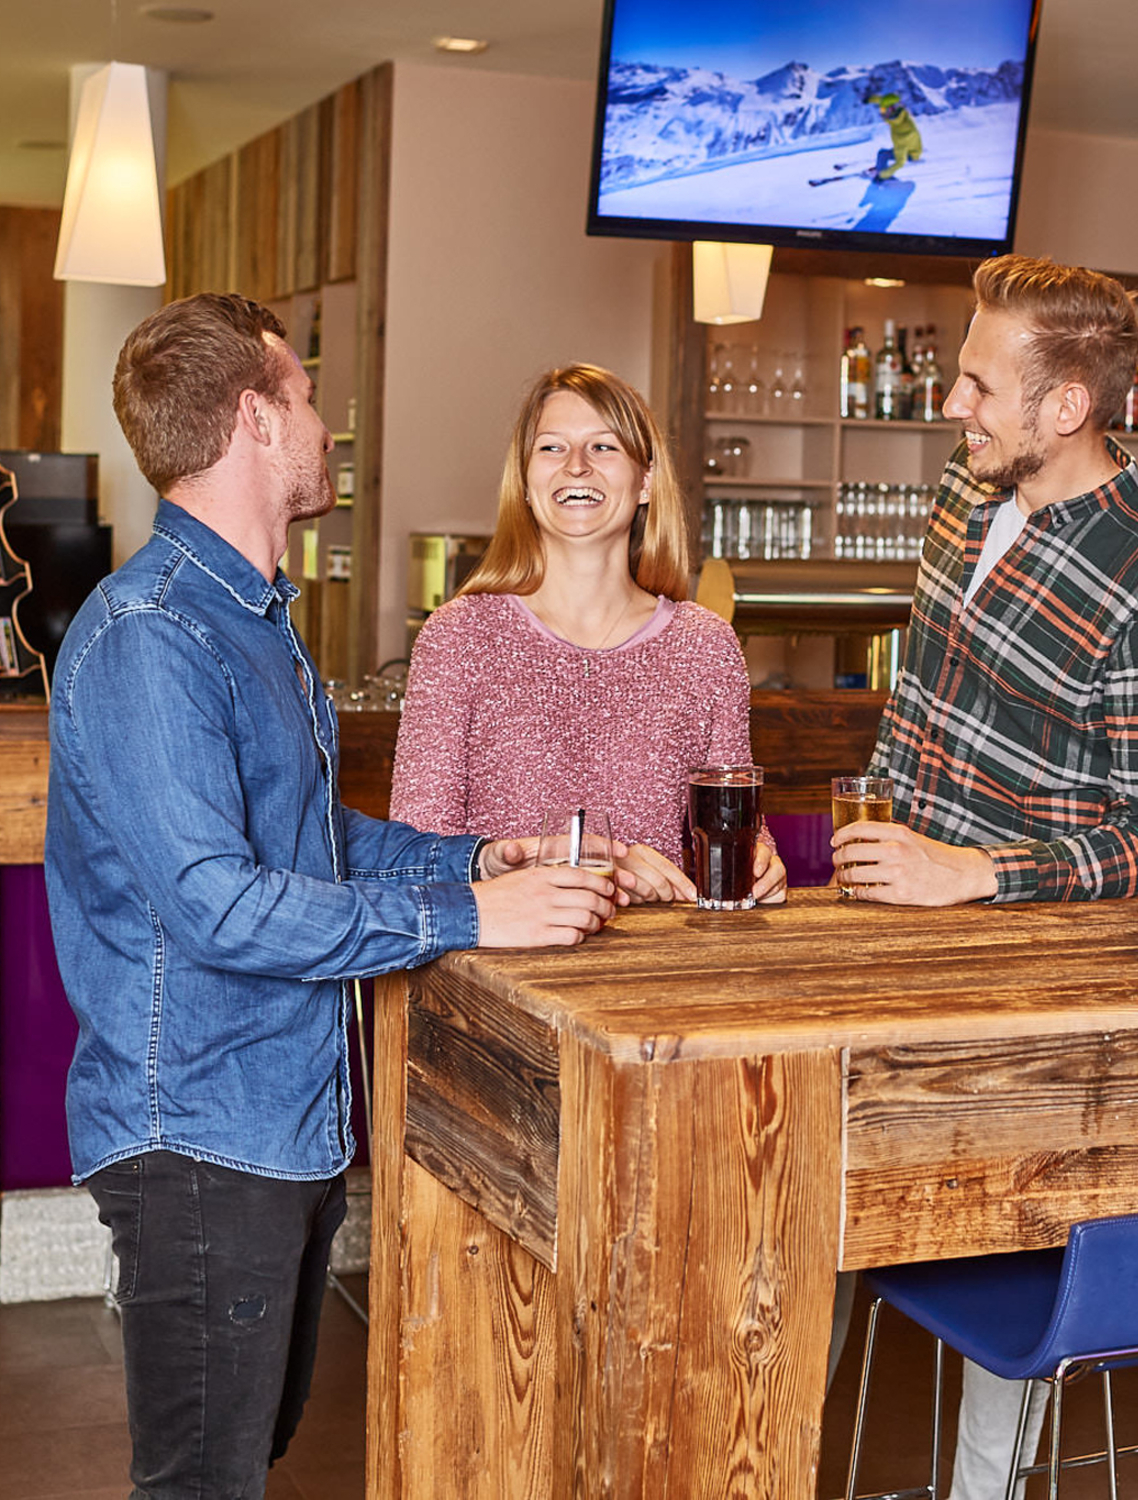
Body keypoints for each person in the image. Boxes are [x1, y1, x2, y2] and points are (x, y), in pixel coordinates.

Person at [43, 292, 621, 1498]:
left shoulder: (246, 617)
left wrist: (474, 860)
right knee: (202, 1481)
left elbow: (305, 843)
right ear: (256, 420)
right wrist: (470, 919)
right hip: (200, 1133)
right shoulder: (151, 633)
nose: (325, 424)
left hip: (277, 1126)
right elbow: (218, 904)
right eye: (306, 398)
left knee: (242, 1458)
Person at [831, 253, 1138, 1498]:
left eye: (980, 386)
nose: (953, 404)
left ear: (1067, 406)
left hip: (1015, 979)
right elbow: (920, 699)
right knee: (805, 1224)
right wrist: (867, 843)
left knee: (1002, 1258)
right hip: (880, 930)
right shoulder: (963, 488)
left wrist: (972, 875)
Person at [390, 363, 784, 904]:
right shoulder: (458, 636)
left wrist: (761, 862)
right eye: (552, 448)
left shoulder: (705, 645)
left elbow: (733, 824)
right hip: (501, 954)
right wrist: (605, 869)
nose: (576, 465)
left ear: (645, 481)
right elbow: (415, 855)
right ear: (525, 483)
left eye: (603, 447)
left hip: (661, 953)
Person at [865, 90, 923, 180]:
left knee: (883, 155)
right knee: (882, 154)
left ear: (892, 109)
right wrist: (869, 99)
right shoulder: (899, 116)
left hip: (910, 154)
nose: (882, 112)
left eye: (884, 110)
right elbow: (882, 100)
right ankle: (880, 168)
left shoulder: (903, 131)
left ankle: (880, 172)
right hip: (908, 148)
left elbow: (900, 163)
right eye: (881, 109)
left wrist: (882, 176)